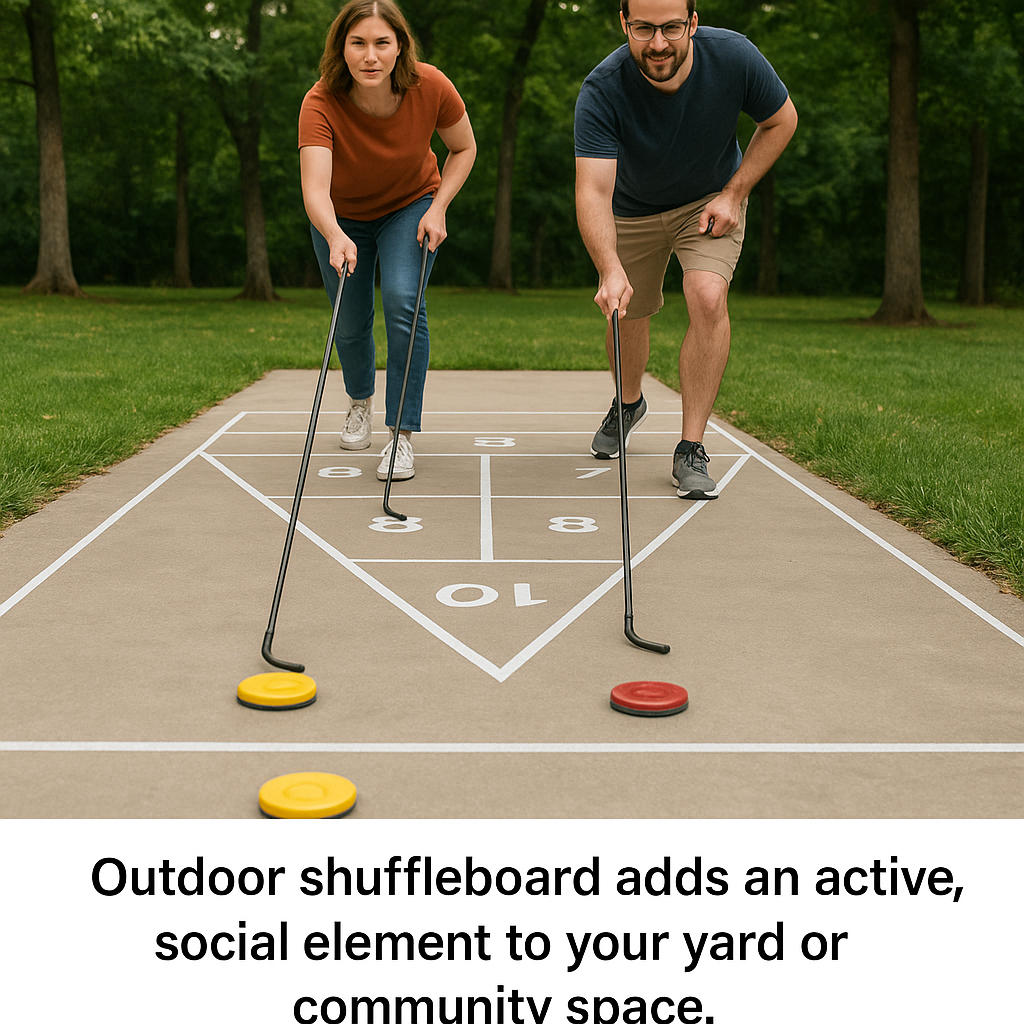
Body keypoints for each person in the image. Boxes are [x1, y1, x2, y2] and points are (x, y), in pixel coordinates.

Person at [574, 0, 797, 498]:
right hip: (631, 208)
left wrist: (735, 193)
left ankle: (690, 447)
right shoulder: (603, 88)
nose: (658, 43)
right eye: (644, 28)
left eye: (672, 27)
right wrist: (609, 267)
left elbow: (782, 120)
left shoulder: (734, 57)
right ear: (624, 24)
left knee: (707, 296)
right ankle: (628, 402)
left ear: (693, 24)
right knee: (625, 309)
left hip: (708, 201)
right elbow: (591, 191)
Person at [299, 0, 476, 481]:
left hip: (411, 205)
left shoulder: (430, 85)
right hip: (341, 216)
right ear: (343, 48)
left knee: (403, 303)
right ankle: (360, 400)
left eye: (382, 42)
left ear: (400, 47)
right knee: (351, 321)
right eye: (358, 43)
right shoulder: (320, 101)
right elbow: (315, 189)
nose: (370, 55)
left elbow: (463, 147)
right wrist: (334, 235)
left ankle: (401, 435)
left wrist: (439, 208)